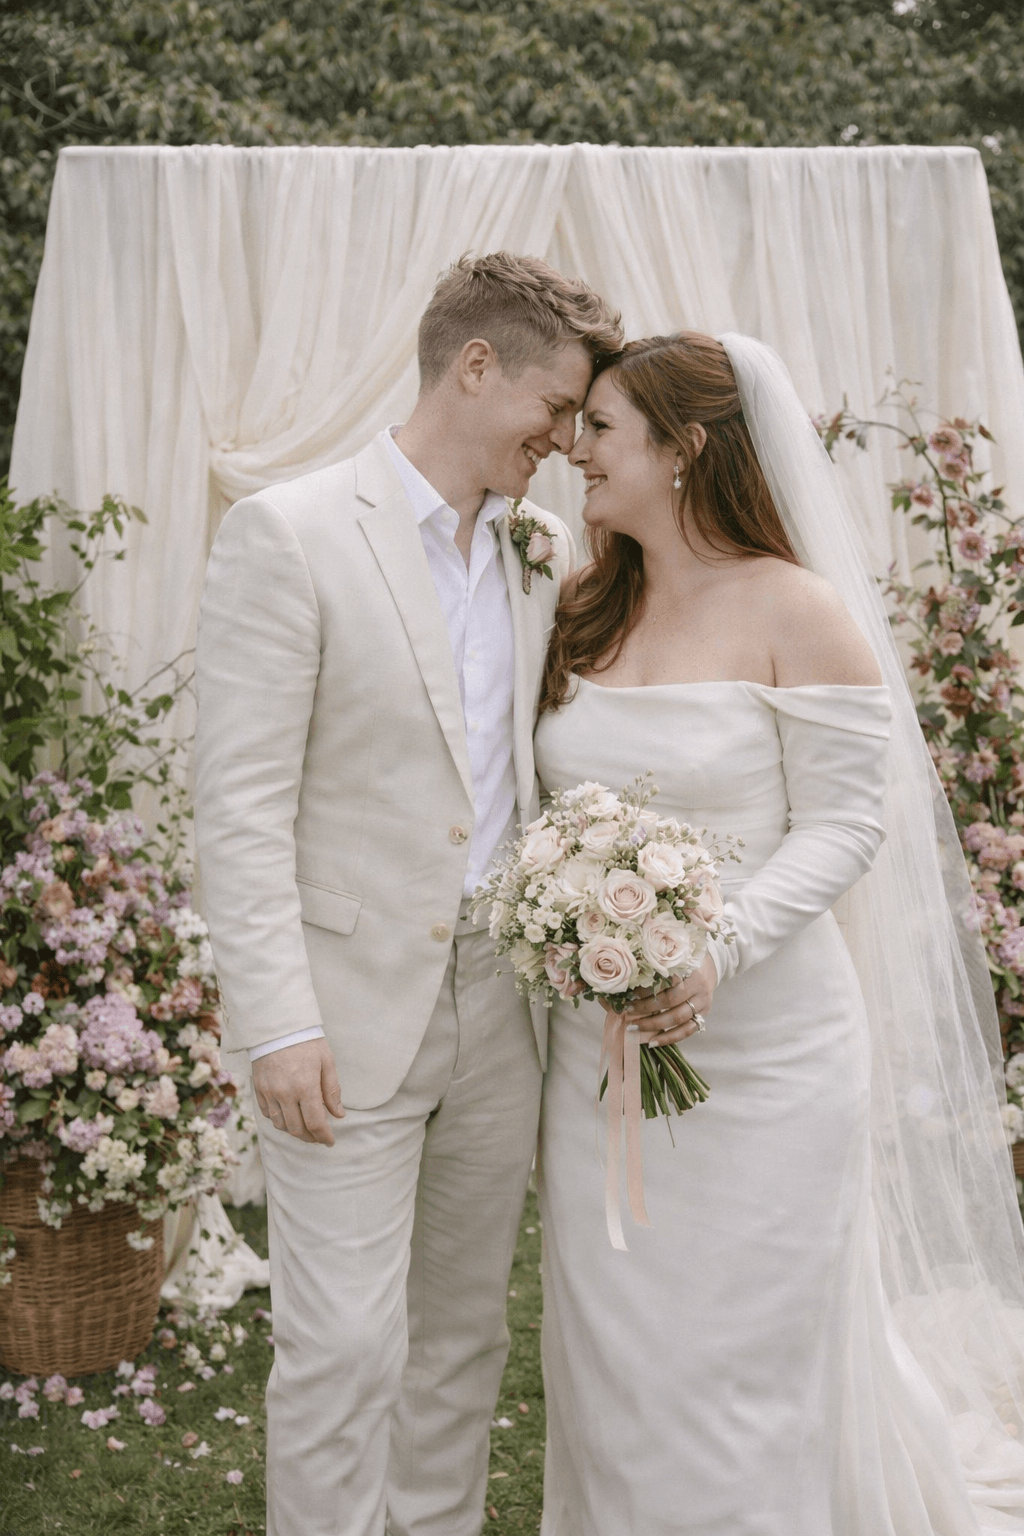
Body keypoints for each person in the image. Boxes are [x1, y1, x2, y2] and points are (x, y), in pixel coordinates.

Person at [533, 331, 1024, 1534]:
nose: (572, 447)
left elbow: (850, 823)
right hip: (597, 1058)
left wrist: (717, 945)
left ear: (684, 448)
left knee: (742, 1356)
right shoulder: (584, 605)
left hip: (771, 1060)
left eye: (600, 427)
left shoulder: (798, 609)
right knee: (614, 1349)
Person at [192, 251, 622, 1536]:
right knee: (339, 1353)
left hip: (502, 1011)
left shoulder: (537, 552)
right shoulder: (291, 532)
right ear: (474, 367)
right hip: (339, 1011)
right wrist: (276, 1021)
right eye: (555, 405)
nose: (564, 436)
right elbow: (241, 802)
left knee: (460, 1342)